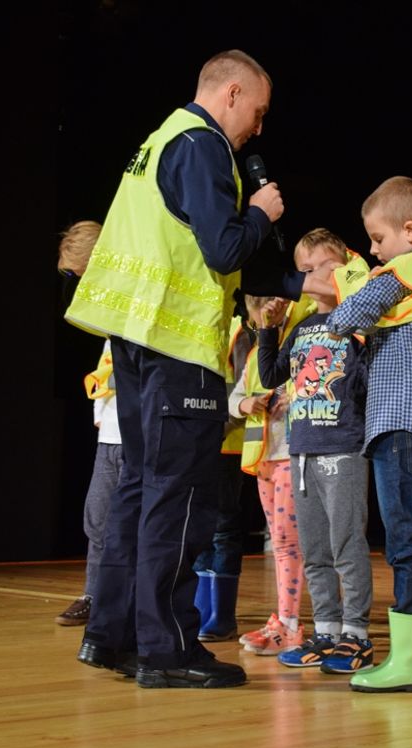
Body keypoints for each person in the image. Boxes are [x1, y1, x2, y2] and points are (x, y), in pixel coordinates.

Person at [63, 50, 300, 689]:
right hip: (177, 352)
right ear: (230, 94)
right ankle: (165, 650)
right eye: (257, 110)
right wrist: (263, 214)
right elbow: (224, 246)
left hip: (138, 344)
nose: (258, 126)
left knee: (139, 491)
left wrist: (297, 281)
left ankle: (110, 636)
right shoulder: (200, 145)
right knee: (180, 498)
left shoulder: (159, 139)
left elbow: (206, 250)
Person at [325, 177, 412, 693]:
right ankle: (408, 656)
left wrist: (352, 281)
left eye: (378, 239)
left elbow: (343, 320)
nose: (372, 249)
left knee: (407, 543)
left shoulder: (401, 276)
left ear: (410, 231)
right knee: (411, 541)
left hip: (403, 425)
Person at [255, 228, 375, 674]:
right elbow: (271, 374)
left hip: (342, 449)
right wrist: (268, 329)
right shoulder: (303, 326)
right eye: (301, 271)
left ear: (343, 267)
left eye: (316, 269)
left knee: (346, 546)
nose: (307, 279)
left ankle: (356, 634)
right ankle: (324, 631)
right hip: (301, 449)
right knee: (315, 550)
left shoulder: (358, 324)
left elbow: (367, 383)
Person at [54, 220, 124, 627]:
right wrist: (99, 414)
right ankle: (94, 595)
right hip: (111, 433)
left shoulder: (126, 297)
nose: (80, 286)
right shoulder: (105, 313)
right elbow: (107, 366)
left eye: (81, 275)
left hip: (136, 432)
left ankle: (128, 599)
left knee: (131, 519)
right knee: (97, 516)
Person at [229, 295, 305, 656]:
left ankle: (290, 625)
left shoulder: (297, 342)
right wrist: (248, 404)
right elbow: (236, 397)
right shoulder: (255, 352)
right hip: (264, 459)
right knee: (277, 541)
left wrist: (285, 396)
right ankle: (282, 619)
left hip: (291, 453)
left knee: (290, 543)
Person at [192, 310, 253, 642]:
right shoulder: (196, 325)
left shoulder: (237, 330)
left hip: (225, 439)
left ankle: (221, 615)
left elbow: (243, 387)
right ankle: (201, 610)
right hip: (198, 439)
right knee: (201, 525)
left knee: (222, 527)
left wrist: (217, 427)